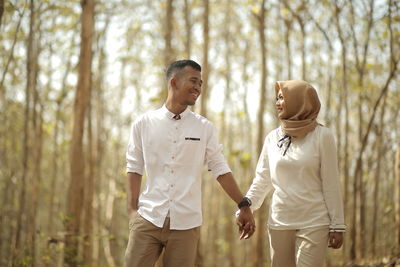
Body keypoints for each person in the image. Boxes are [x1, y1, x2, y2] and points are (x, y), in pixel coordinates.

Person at [125, 59, 255, 267]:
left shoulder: (204, 128)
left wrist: (243, 204)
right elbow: (134, 167)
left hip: (186, 223)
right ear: (174, 82)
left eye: (201, 83)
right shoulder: (143, 123)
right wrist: (132, 210)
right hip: (148, 218)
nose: (198, 87)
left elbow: (219, 168)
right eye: (193, 81)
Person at [237, 80, 346, 266]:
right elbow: (262, 180)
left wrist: (337, 224)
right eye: (277, 98)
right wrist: (246, 207)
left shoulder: (322, 136)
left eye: (283, 98)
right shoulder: (272, 138)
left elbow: (331, 183)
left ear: (300, 101)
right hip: (280, 221)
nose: (278, 103)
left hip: (314, 220)